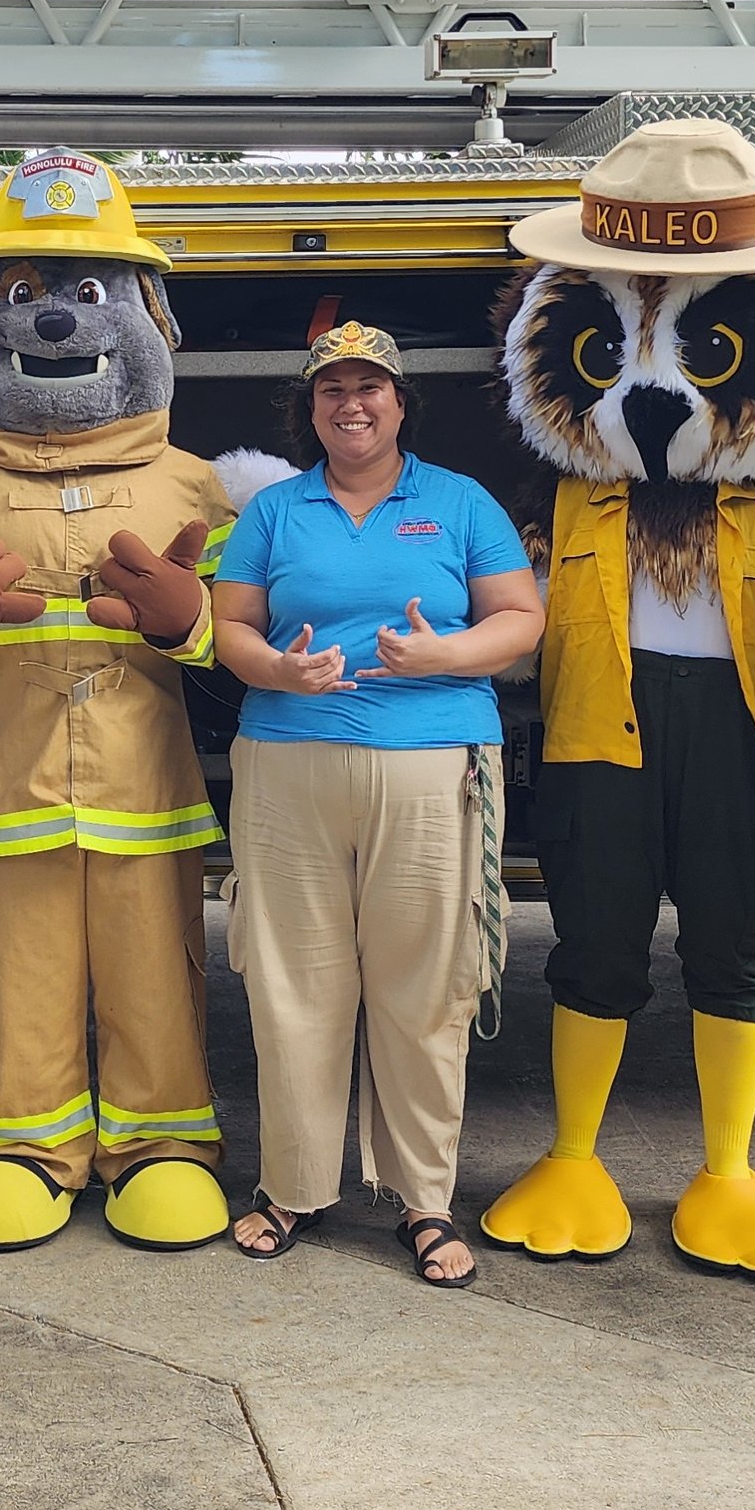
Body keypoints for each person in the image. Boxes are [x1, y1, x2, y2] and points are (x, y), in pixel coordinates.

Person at [211, 323, 544, 1285]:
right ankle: (293, 1186)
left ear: (401, 403)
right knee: (292, 985)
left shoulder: (458, 501)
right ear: (309, 409)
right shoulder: (275, 509)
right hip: (289, 762)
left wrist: (443, 653)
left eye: (370, 388)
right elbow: (229, 625)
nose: (350, 404)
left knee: (426, 985)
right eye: (331, 391)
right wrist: (277, 666)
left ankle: (424, 1200)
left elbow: (521, 619)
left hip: (434, 763)